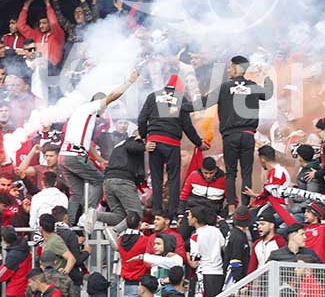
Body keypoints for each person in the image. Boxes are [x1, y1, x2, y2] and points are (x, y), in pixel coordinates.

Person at [59, 69, 138, 225]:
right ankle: (88, 216)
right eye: (105, 106)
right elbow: (112, 96)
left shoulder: (79, 115)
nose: (105, 109)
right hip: (75, 155)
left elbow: (87, 145)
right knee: (98, 180)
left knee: (77, 192)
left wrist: (101, 160)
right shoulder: (89, 108)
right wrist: (129, 82)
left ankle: (70, 225)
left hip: (65, 156)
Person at [198, 55, 273, 211]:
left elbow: (204, 102)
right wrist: (267, 80)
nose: (228, 70)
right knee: (247, 172)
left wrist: (182, 106)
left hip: (230, 136)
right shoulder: (252, 86)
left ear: (237, 68)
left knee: (231, 172)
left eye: (230, 67)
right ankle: (245, 207)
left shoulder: (225, 87)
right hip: (248, 135)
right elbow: (267, 94)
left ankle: (232, 208)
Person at [138, 74, 208, 216]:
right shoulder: (181, 99)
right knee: (173, 178)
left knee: (156, 178)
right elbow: (187, 126)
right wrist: (199, 143)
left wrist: (146, 138)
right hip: (172, 143)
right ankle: (172, 212)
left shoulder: (152, 96)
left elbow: (141, 120)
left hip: (155, 142)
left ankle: (157, 211)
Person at [269, 199, 325, 264]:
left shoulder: (324, 229)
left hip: (317, 269)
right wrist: (271, 198)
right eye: (305, 212)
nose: (305, 214)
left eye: (308, 212)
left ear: (316, 215)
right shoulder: (300, 229)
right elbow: (284, 215)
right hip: (301, 269)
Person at [98, 133, 146, 232]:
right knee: (136, 214)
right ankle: (114, 231)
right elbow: (132, 146)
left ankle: (95, 214)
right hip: (123, 181)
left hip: (108, 182)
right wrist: (143, 144)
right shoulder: (134, 142)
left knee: (120, 216)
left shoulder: (118, 146)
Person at [187, 206, 225, 297]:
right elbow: (223, 246)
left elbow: (194, 263)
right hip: (219, 273)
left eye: (189, 216)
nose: (187, 218)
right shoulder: (215, 230)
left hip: (204, 274)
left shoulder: (195, 237)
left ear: (195, 219)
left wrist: (187, 255)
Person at [245, 144, 290, 209]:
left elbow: (271, 195)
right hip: (272, 206)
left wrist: (256, 203)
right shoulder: (274, 172)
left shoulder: (278, 173)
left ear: (262, 159)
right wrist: (254, 196)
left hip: (277, 208)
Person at [117, 211, 151, 296]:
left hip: (126, 283)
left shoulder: (119, 240)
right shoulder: (145, 240)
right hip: (141, 284)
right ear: (140, 223)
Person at [0, 225, 33, 297]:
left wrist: (2, 264)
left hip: (15, 291)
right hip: (26, 289)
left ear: (4, 240)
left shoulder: (13, 256)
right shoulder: (24, 247)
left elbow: (1, 277)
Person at [224, 206, 251, 285]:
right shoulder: (238, 237)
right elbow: (235, 260)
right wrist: (239, 282)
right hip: (234, 277)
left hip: (231, 272)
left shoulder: (234, 233)